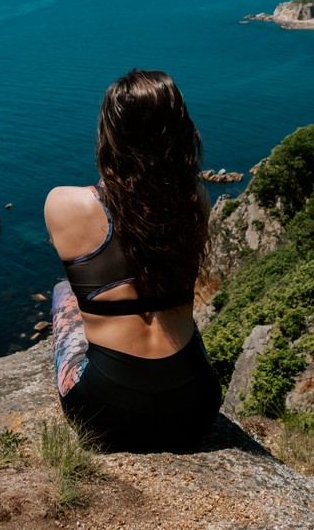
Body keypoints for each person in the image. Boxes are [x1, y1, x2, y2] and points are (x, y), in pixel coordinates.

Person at [44, 69, 221, 451]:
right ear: (180, 132)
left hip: (107, 411)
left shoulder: (64, 202)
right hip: (196, 407)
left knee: (63, 292)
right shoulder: (194, 204)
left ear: (109, 133)